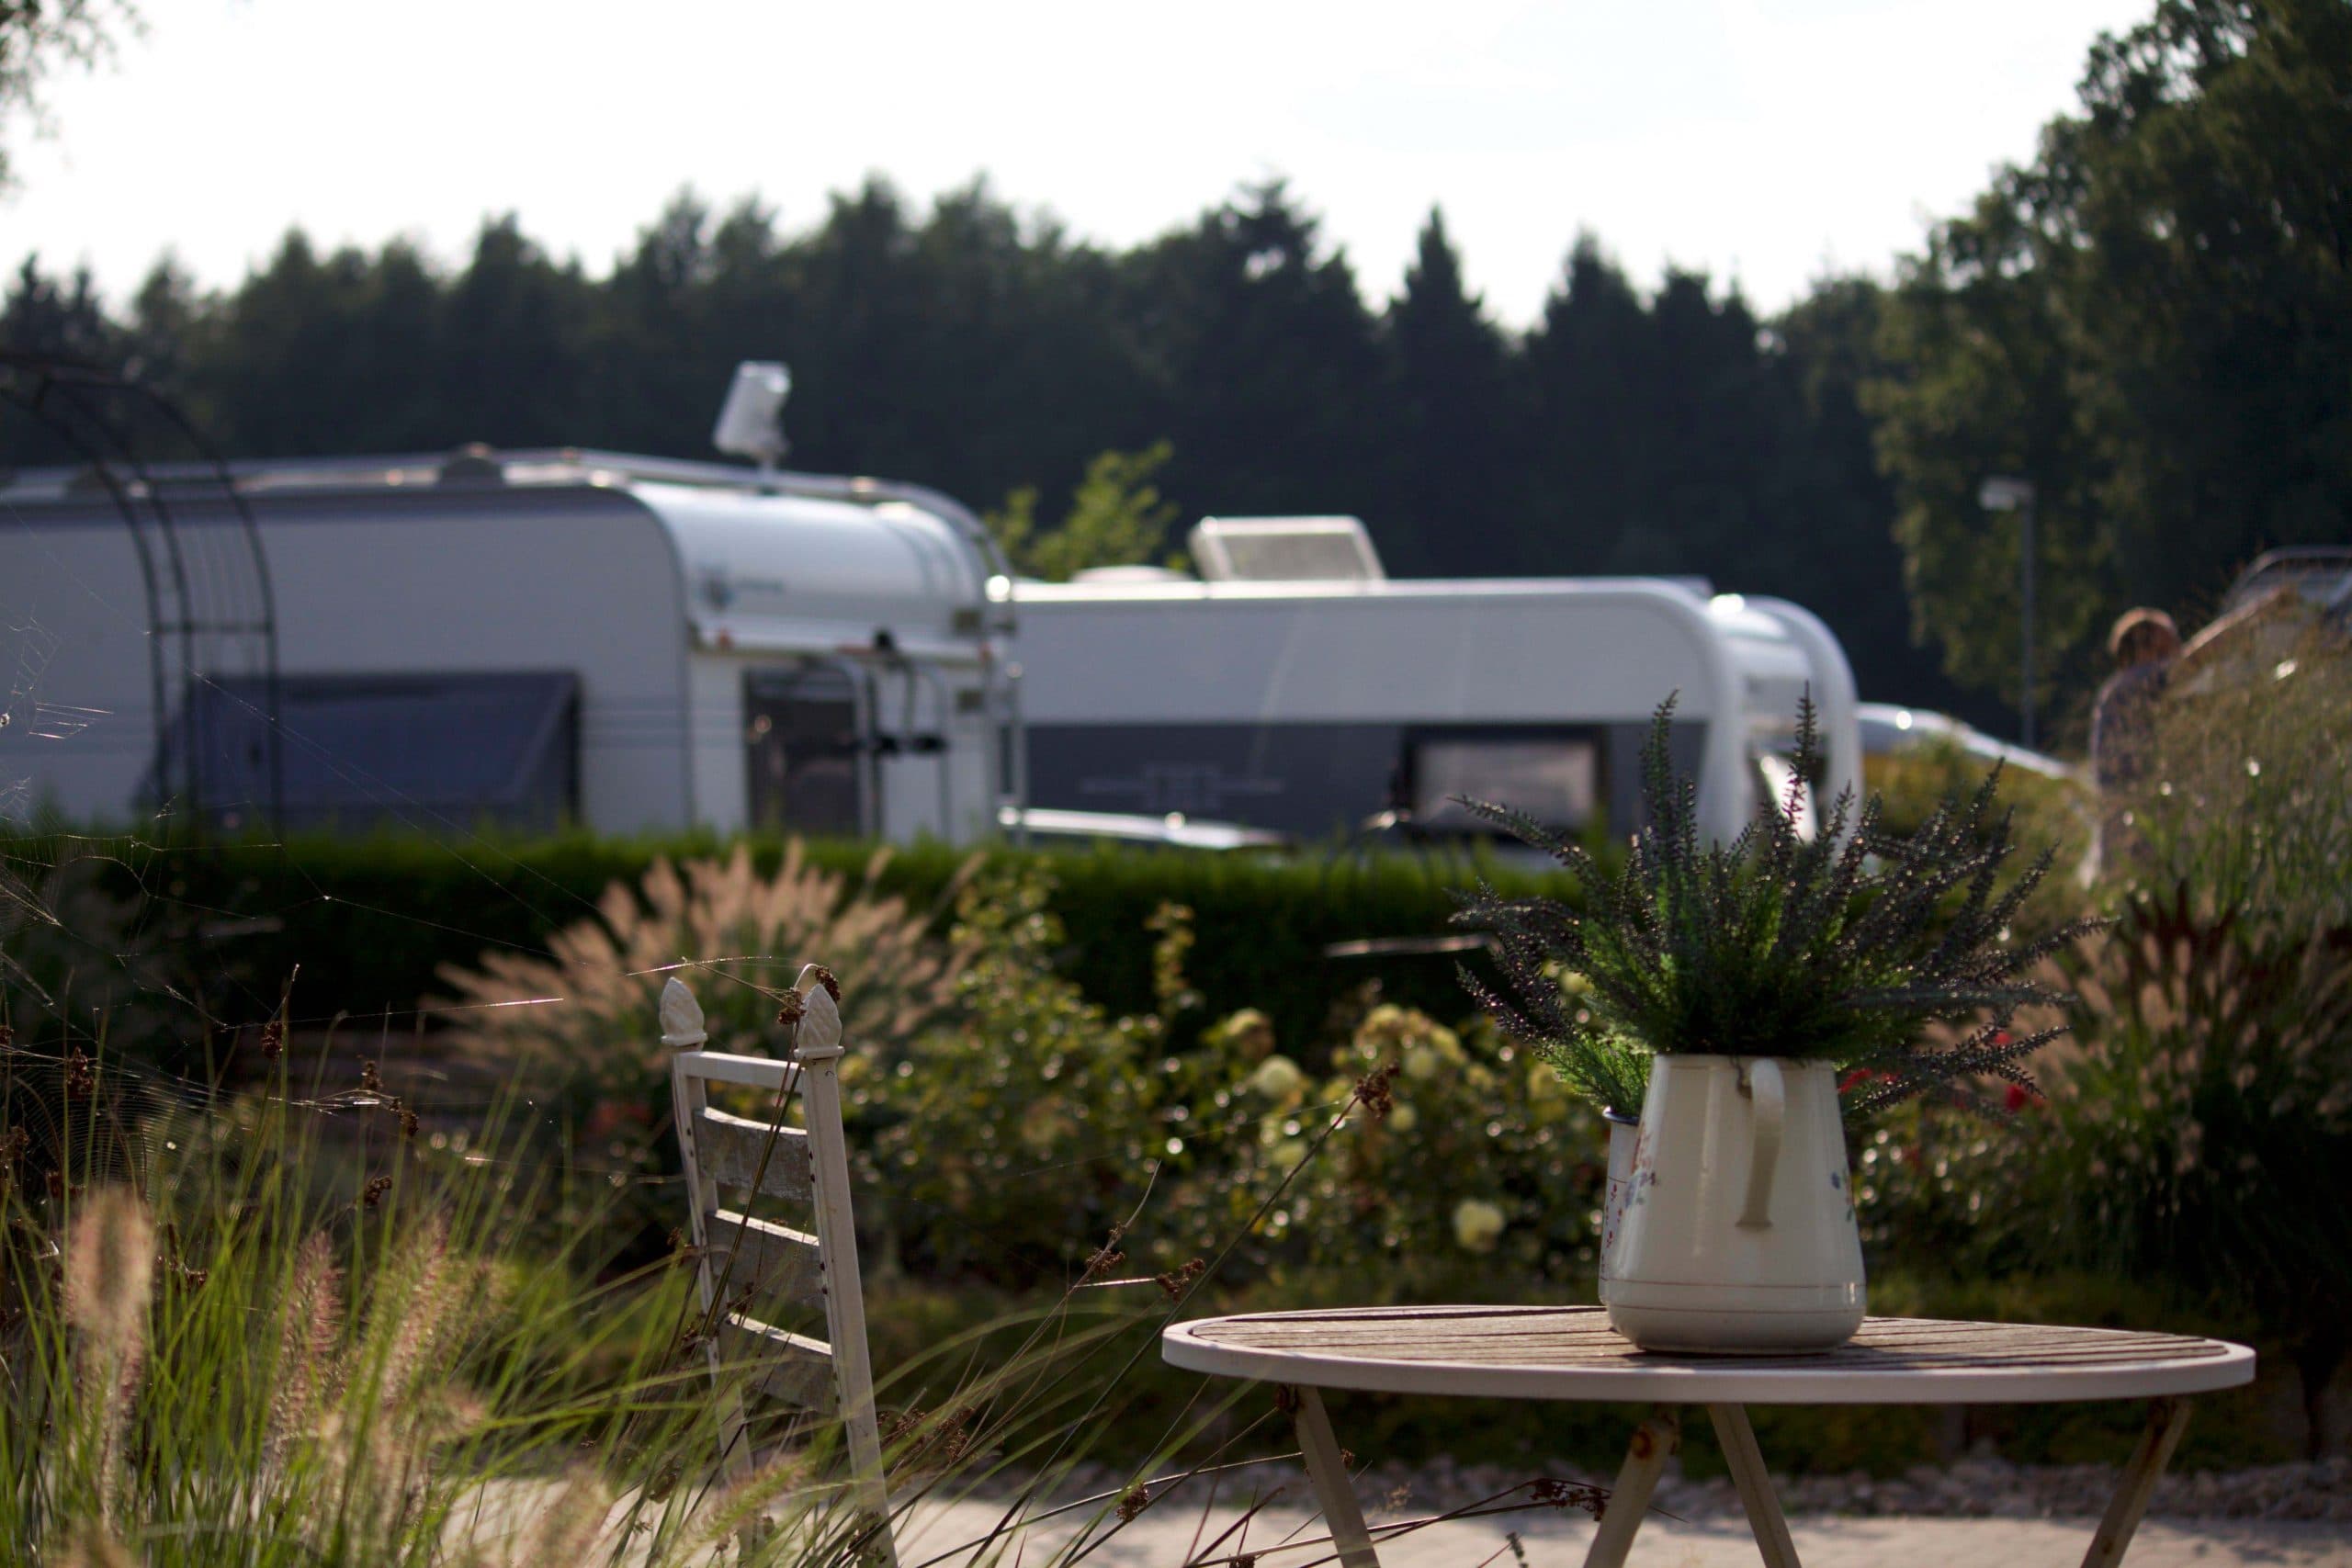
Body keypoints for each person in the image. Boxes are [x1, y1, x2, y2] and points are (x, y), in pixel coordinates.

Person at [2091, 607, 2182, 792]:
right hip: (2134, 797)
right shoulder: (2136, 680)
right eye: (2166, 648)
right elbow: (2193, 662)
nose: (2177, 652)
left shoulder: (2117, 689)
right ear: (2143, 648)